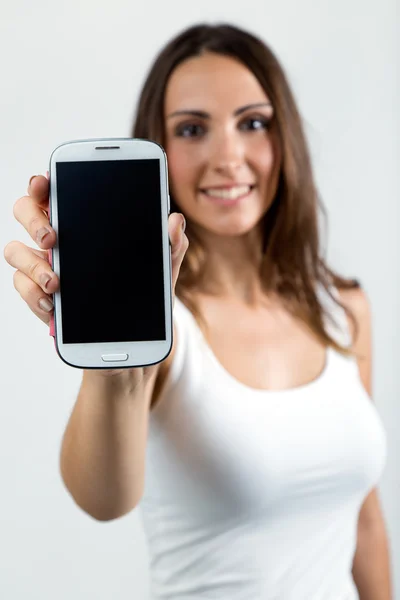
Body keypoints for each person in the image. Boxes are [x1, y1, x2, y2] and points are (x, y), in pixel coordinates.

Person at [4, 22, 392, 600]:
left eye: (253, 123)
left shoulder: (343, 310)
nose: (228, 156)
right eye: (192, 129)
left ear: (285, 136)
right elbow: (102, 499)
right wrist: (109, 354)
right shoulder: (165, 328)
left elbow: (362, 517)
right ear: (158, 157)